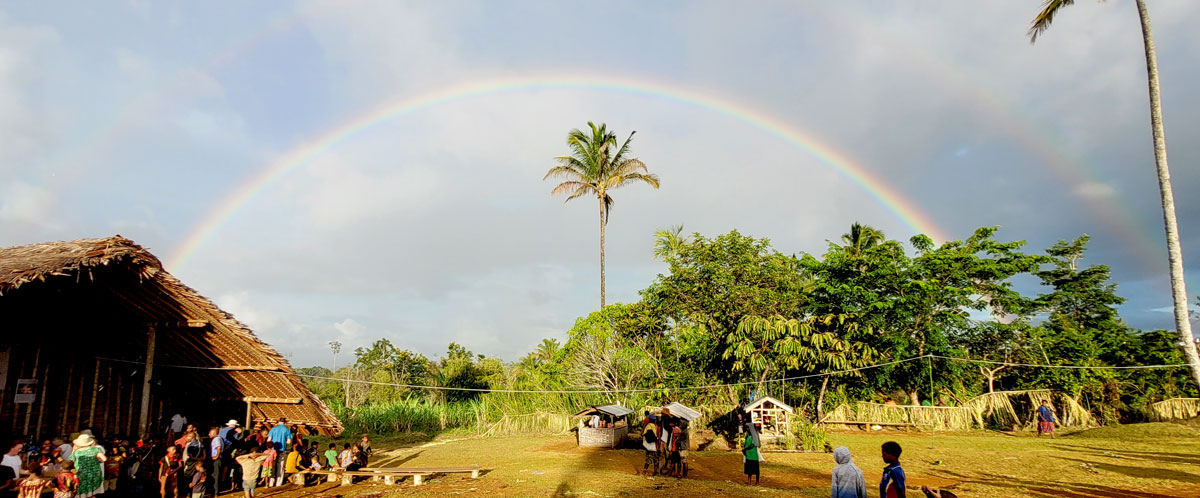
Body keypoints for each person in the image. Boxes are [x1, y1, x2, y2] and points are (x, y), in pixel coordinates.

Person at [265, 419, 292, 487]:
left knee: (272, 465)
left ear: (278, 422)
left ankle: (271, 483)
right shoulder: (287, 430)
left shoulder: (273, 429)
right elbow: (289, 441)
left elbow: (269, 440)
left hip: (273, 450)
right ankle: (278, 483)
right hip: (282, 449)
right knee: (280, 466)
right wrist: (284, 442)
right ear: (284, 422)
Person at [208, 427, 224, 495]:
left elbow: (218, 448)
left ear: (214, 433)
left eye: (210, 433)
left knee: (216, 475)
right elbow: (229, 443)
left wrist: (217, 456)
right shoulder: (220, 438)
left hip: (217, 458)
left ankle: (215, 492)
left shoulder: (216, 439)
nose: (209, 434)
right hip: (219, 458)